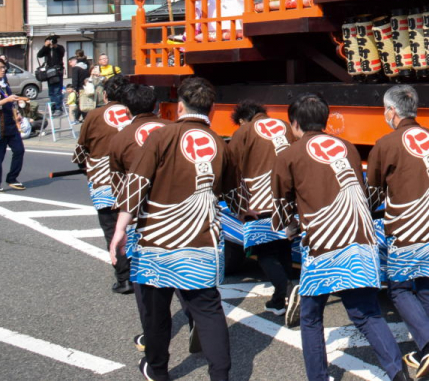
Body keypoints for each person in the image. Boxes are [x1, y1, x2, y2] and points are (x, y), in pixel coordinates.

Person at [271, 93, 410, 381]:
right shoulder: (348, 148)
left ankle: (318, 377)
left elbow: (282, 205)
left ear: (294, 124)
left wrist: (290, 227)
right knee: (366, 313)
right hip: (360, 240)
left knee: (311, 317)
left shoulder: (289, 155)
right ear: (325, 120)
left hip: (323, 245)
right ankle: (398, 373)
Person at [110, 76, 235, 381]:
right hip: (202, 240)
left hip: (157, 240)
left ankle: (158, 370)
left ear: (180, 106)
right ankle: (220, 376)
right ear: (212, 109)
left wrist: (120, 229)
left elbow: (137, 183)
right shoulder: (221, 144)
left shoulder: (161, 136)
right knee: (209, 311)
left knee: (156, 312)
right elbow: (231, 192)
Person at [366, 85, 429, 379]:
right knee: (428, 287)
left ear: (392, 111)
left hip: (410, 224)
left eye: (385, 110)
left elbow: (374, 189)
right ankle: (427, 353)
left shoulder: (386, 143)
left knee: (399, 288)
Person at [227, 101, 294, 317]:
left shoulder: (245, 131)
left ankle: (287, 290)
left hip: (259, 201)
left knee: (264, 250)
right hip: (287, 199)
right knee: (283, 248)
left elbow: (230, 168)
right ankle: (279, 301)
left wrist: (238, 206)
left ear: (241, 120)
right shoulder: (285, 126)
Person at [73, 74, 134, 293]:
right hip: (135, 180)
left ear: (105, 94)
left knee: (112, 227)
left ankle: (124, 279)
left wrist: (83, 164)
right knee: (137, 227)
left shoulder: (94, 115)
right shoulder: (136, 114)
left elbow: (82, 149)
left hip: (104, 180)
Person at [0, 56, 29, 193]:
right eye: (0, 67)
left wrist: (17, 113)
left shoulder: (4, 84)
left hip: (10, 124)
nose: (3, 70)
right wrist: (5, 101)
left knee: (19, 150)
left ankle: (12, 178)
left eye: (4, 67)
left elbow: (11, 103)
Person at [37, 35, 67, 117]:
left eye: (53, 41)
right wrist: (45, 46)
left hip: (57, 71)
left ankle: (58, 108)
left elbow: (61, 53)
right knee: (51, 91)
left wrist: (55, 46)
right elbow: (39, 55)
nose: (51, 43)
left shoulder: (60, 48)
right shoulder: (46, 49)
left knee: (57, 90)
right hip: (49, 72)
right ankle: (53, 107)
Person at [70, 51, 90, 122]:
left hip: (79, 87)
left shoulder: (76, 68)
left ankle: (78, 118)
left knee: (79, 103)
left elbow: (75, 80)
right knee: (85, 102)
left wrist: (74, 88)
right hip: (87, 86)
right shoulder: (87, 65)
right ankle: (82, 117)